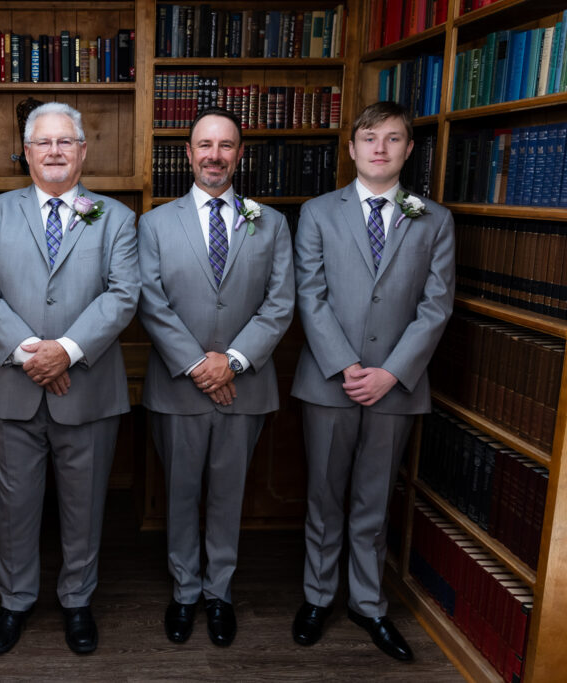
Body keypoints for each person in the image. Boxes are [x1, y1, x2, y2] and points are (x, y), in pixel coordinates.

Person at [0, 101, 140, 655]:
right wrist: (27, 354)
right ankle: (14, 601)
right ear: (28, 153)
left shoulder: (116, 217)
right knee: (14, 504)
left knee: (84, 504)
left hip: (87, 387)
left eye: (66, 141)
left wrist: (65, 350)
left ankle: (77, 601)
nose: (55, 151)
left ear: (82, 151)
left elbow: (122, 293)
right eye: (44, 142)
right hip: (10, 387)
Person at [290, 101, 455, 661]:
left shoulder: (433, 218)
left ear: (409, 149)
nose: (379, 148)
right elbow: (308, 296)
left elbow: (435, 307)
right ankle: (316, 596)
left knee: (373, 501)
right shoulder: (317, 212)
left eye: (393, 139)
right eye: (369, 138)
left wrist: (390, 373)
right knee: (324, 496)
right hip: (328, 381)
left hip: (397, 386)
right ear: (353, 148)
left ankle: (367, 603)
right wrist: (344, 365)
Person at [137, 107, 294, 647]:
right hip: (178, 385)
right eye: (205, 145)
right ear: (188, 153)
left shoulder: (270, 222)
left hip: (244, 386)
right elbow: (151, 303)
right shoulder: (155, 223)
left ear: (240, 154)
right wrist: (200, 365)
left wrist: (233, 361)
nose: (214, 155)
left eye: (226, 146)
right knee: (181, 494)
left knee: (229, 496)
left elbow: (280, 305)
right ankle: (184, 592)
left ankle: (218, 592)